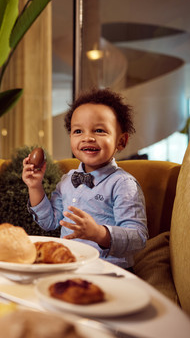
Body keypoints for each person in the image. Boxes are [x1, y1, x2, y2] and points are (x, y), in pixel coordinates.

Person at [22, 88, 148, 268]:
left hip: (108, 270)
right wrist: (34, 187)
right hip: (69, 265)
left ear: (121, 141)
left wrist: (99, 233)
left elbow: (138, 237)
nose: (87, 138)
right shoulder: (67, 181)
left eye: (99, 130)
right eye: (78, 131)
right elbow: (49, 222)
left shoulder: (123, 184)